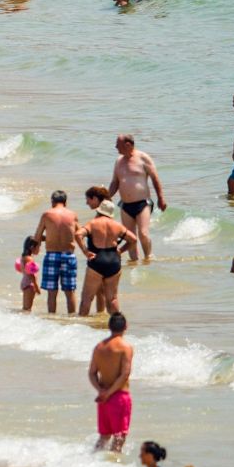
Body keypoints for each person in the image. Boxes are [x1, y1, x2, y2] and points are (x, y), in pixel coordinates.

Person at [107, 134, 166, 261]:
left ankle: (148, 258)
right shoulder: (118, 161)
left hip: (142, 203)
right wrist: (106, 197)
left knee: (143, 233)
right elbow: (114, 183)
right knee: (130, 237)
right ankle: (134, 263)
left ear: (128, 144)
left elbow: (155, 179)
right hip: (125, 205)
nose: (116, 147)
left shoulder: (143, 158)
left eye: (118, 144)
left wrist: (161, 198)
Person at [78, 188, 129, 317]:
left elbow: (78, 234)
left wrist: (85, 251)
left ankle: (80, 329)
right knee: (112, 299)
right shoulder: (116, 225)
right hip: (113, 260)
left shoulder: (93, 222)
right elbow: (133, 239)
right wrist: (121, 250)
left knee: (87, 298)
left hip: (97, 259)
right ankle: (118, 325)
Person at [89, 312, 134, 453]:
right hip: (119, 396)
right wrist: (110, 392)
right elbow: (125, 373)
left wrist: (101, 391)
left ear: (109, 326)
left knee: (104, 436)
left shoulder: (99, 347)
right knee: (119, 437)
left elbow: (92, 373)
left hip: (103, 398)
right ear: (126, 326)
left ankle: (91, 462)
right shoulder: (126, 347)